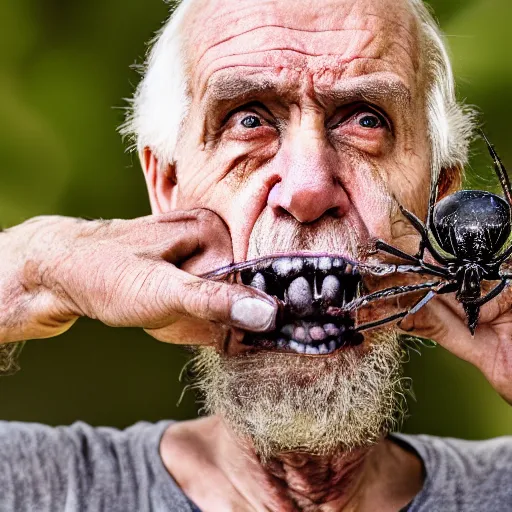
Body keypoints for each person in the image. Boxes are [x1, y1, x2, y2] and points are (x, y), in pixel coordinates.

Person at [0, 0, 511, 510]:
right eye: (248, 120)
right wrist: (30, 271)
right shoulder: (36, 486)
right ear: (168, 186)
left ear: (437, 195)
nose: (307, 189)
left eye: (365, 121)